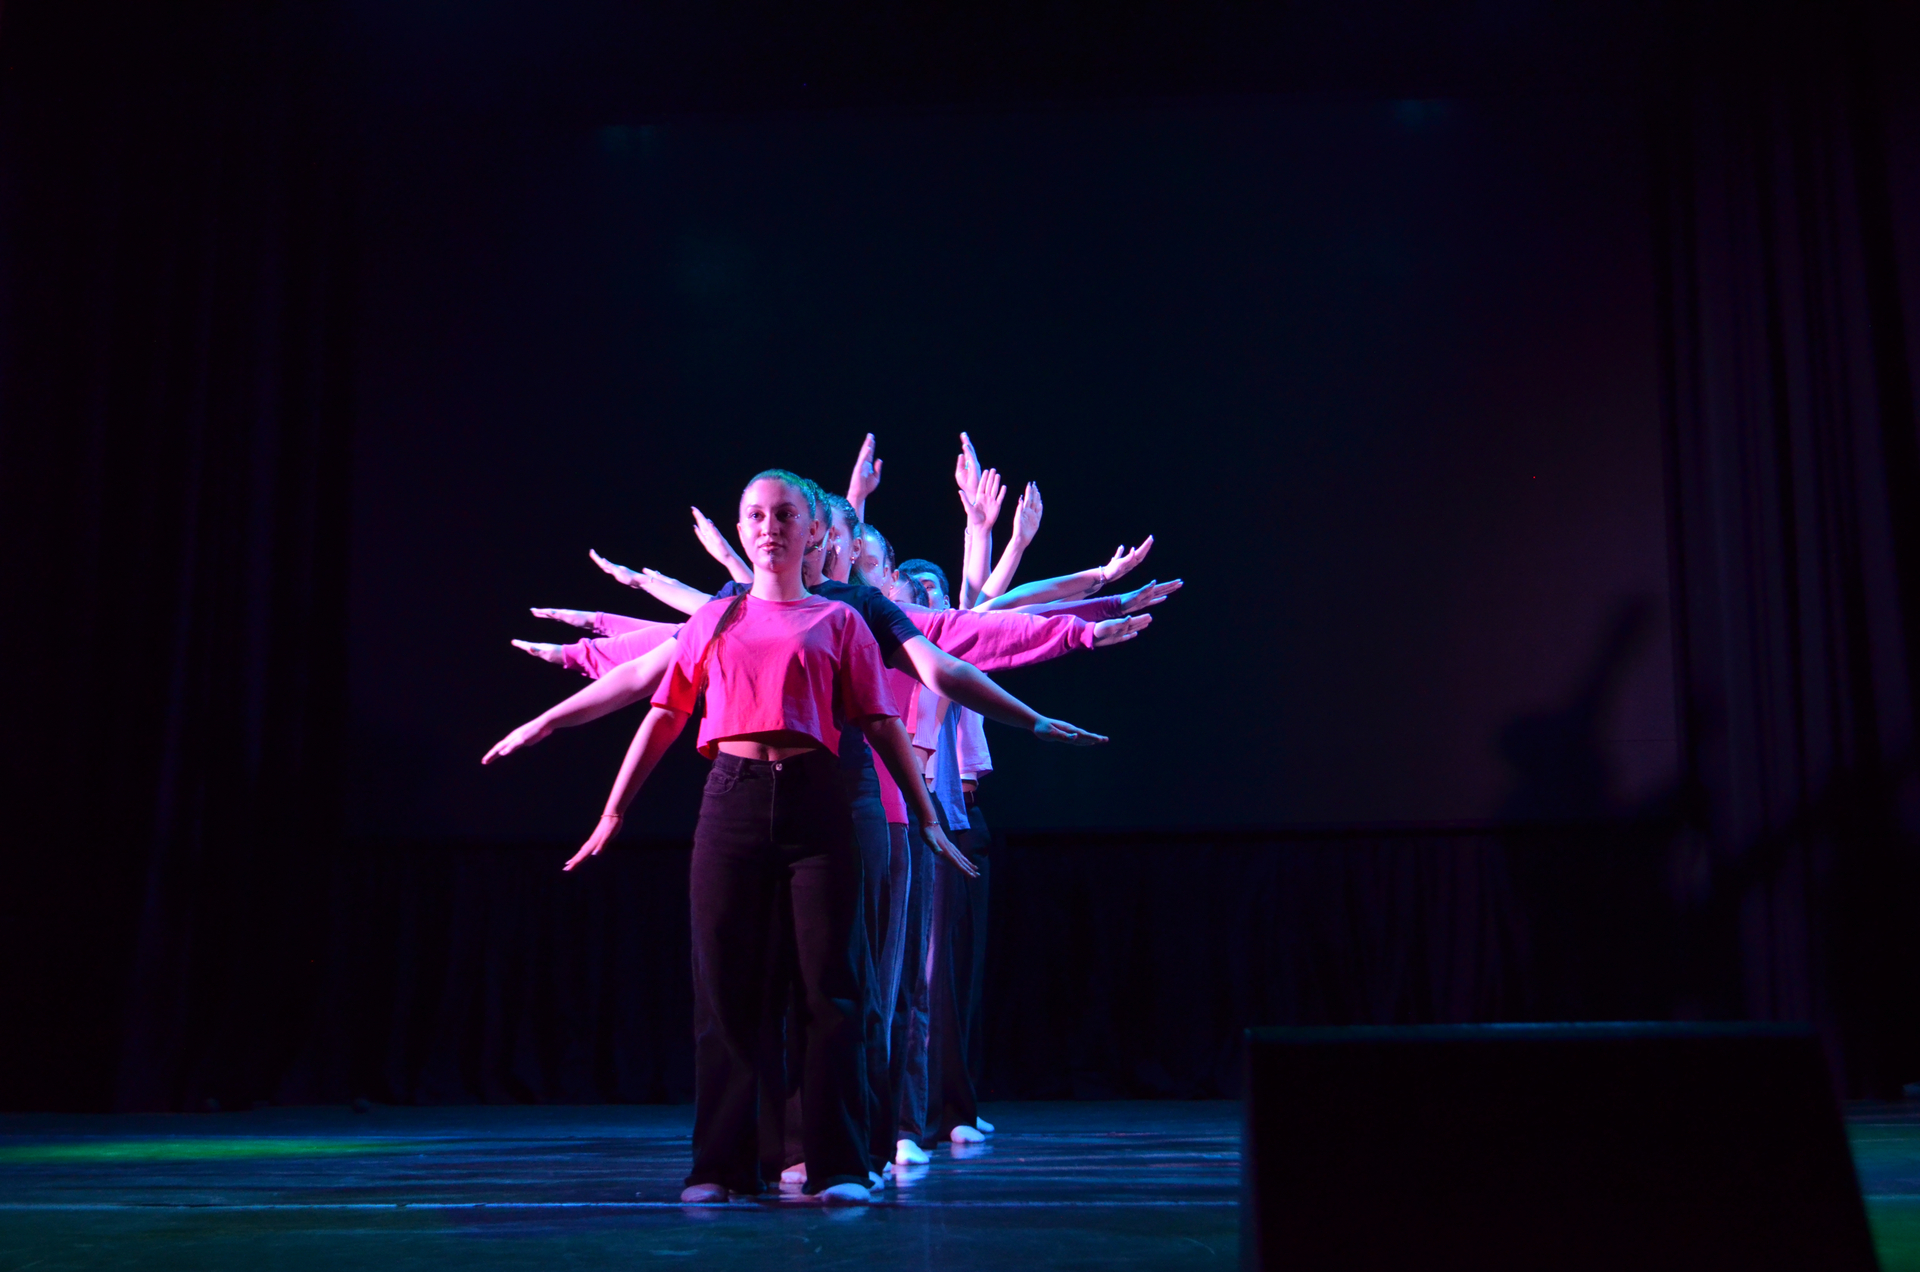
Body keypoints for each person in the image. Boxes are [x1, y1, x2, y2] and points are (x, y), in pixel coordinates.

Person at [562, 470, 970, 1206]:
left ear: (814, 531)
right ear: (742, 528)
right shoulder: (716, 618)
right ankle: (721, 1166)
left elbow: (882, 724)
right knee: (726, 991)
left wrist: (928, 817)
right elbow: (664, 713)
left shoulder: (841, 619)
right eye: (755, 515)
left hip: (820, 803)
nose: (769, 527)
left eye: (784, 515)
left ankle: (838, 1165)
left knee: (833, 988)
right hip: (734, 801)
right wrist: (613, 811)